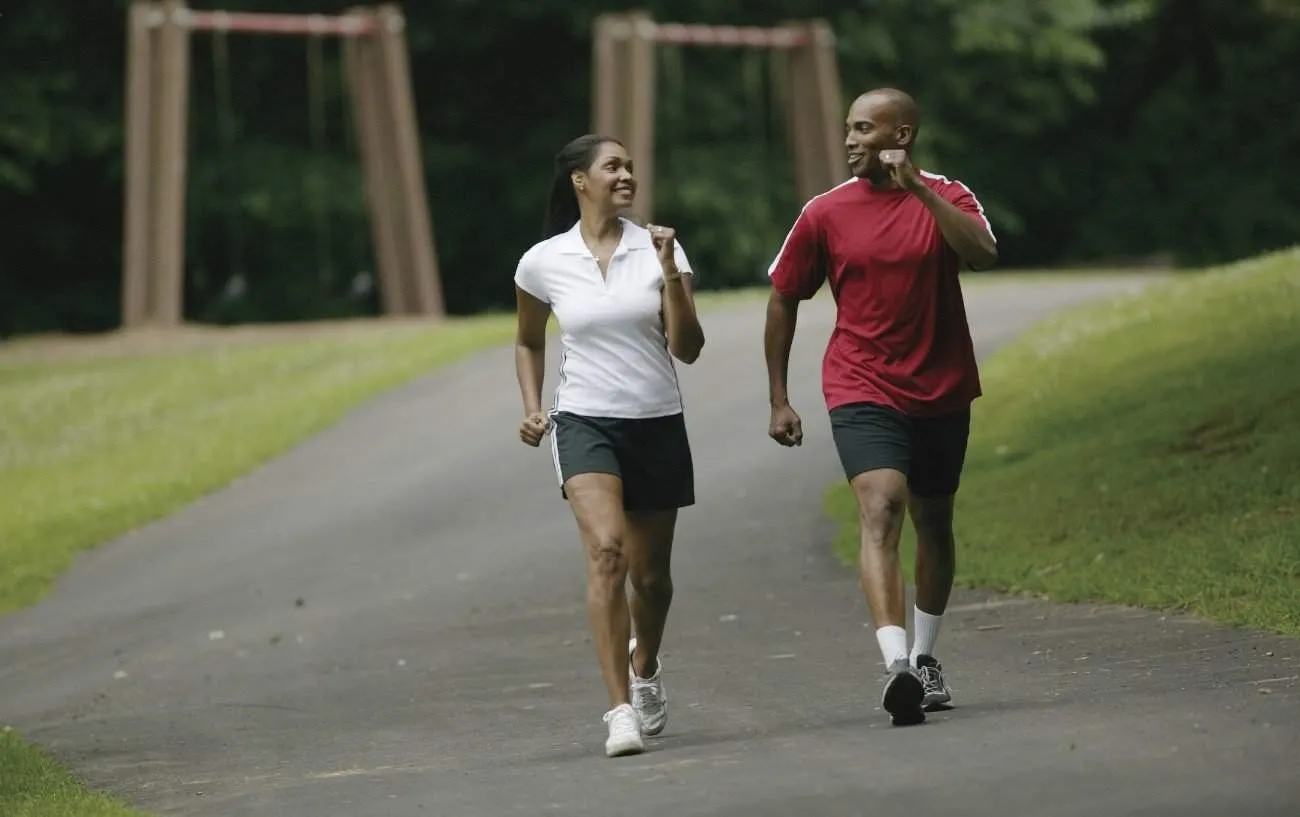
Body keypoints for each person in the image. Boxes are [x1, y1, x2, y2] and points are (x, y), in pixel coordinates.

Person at [762, 88, 997, 727]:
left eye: (864, 129)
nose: (849, 141)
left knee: (935, 522)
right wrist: (780, 397)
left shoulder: (948, 195)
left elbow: (982, 253)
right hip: (861, 381)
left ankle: (925, 657)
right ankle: (895, 664)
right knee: (882, 504)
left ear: (904, 133)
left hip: (942, 384)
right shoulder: (824, 213)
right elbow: (784, 296)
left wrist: (917, 190)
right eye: (847, 128)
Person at [513, 133, 706, 757]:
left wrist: (671, 267)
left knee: (652, 581)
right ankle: (619, 708)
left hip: (655, 421)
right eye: (612, 166)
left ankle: (644, 664)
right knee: (606, 552)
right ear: (579, 180)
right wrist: (532, 406)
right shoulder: (543, 261)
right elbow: (528, 339)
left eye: (629, 166)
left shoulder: (658, 252)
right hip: (584, 422)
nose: (627, 175)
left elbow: (688, 348)